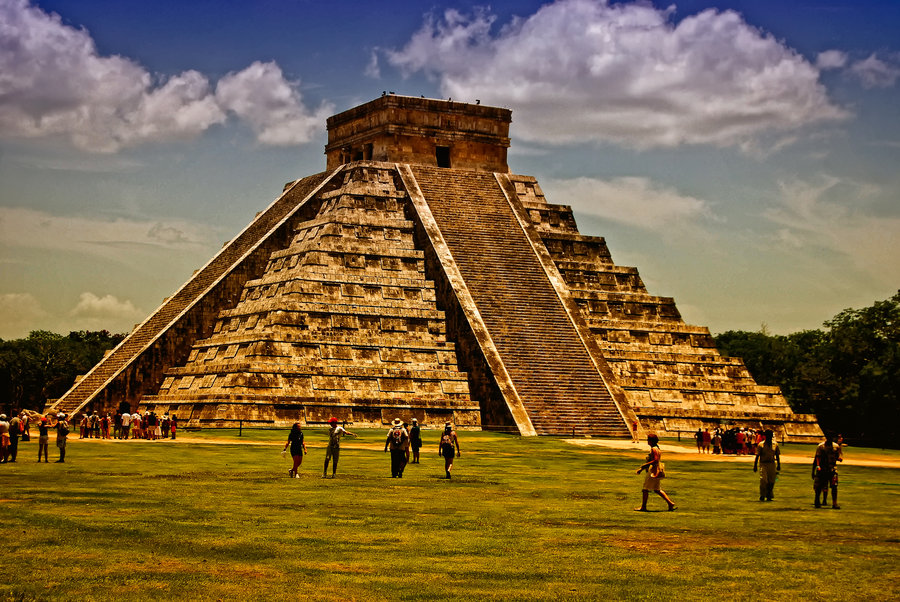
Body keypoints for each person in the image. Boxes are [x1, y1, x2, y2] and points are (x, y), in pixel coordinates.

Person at [634, 433, 676, 512]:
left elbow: (655, 460)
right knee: (657, 489)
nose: (647, 441)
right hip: (656, 469)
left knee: (645, 489)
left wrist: (644, 465)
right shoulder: (657, 448)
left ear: (650, 441)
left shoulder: (654, 449)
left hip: (653, 470)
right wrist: (642, 469)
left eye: (648, 440)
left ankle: (643, 507)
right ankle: (670, 503)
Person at [813, 432, 842, 509]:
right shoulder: (821, 446)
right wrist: (818, 466)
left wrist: (839, 459)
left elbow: (836, 456)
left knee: (834, 486)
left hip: (833, 469)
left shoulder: (836, 446)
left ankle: (834, 503)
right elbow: (817, 457)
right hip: (823, 469)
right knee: (820, 486)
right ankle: (817, 501)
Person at [753, 429, 781, 501]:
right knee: (763, 480)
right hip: (763, 464)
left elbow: (777, 455)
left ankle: (769, 495)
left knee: (771, 481)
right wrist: (755, 465)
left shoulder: (775, 444)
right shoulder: (761, 444)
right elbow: (757, 456)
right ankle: (762, 495)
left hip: (772, 464)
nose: (769, 437)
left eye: (770, 436)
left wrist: (778, 465)